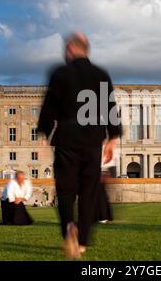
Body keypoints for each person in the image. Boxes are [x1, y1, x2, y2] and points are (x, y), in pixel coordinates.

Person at [38, 32, 122, 259]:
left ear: (70, 49)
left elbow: (49, 106)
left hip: (67, 138)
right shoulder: (100, 74)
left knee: (65, 191)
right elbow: (110, 108)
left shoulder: (61, 73)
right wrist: (113, 138)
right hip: (93, 139)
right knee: (89, 193)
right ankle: (83, 240)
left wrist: (44, 134)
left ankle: (68, 229)